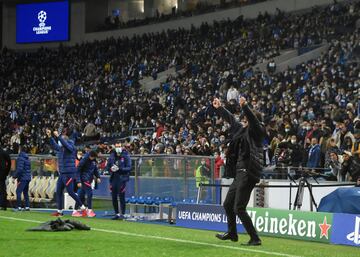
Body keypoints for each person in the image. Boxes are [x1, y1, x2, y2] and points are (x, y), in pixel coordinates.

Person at [213, 97, 264, 246]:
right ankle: (232, 233)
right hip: (240, 173)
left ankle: (255, 238)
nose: (244, 121)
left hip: (248, 173)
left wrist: (245, 107)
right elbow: (232, 120)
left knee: (239, 208)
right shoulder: (243, 130)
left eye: (246, 119)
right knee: (228, 204)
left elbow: (253, 121)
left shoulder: (257, 131)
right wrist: (220, 108)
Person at [46, 128, 87, 217]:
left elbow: (66, 145)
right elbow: (54, 145)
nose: (60, 141)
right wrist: (50, 136)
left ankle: (83, 208)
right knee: (59, 191)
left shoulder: (71, 146)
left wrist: (58, 136)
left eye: (62, 139)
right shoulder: (61, 148)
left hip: (69, 173)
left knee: (71, 192)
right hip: (62, 173)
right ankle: (59, 211)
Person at [106, 143, 132, 220]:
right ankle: (116, 213)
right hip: (113, 178)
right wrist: (111, 169)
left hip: (122, 178)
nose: (118, 148)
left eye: (119, 146)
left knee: (121, 197)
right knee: (114, 197)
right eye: (117, 146)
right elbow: (107, 167)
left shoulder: (126, 156)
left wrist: (120, 169)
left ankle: (122, 214)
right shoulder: (112, 156)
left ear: (122, 147)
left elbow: (129, 168)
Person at [75, 150, 101, 217]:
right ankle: (89, 210)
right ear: (90, 156)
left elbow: (95, 169)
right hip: (84, 179)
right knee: (90, 193)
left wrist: (98, 177)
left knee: (80, 194)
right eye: (93, 157)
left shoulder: (93, 160)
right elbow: (78, 170)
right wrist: (78, 181)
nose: (94, 159)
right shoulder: (84, 160)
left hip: (89, 179)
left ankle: (75, 210)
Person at [13, 146, 31, 211]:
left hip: (23, 178)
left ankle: (19, 207)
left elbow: (19, 170)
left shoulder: (20, 158)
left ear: (20, 150)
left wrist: (14, 176)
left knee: (18, 192)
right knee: (25, 192)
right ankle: (27, 206)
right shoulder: (27, 158)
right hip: (28, 177)